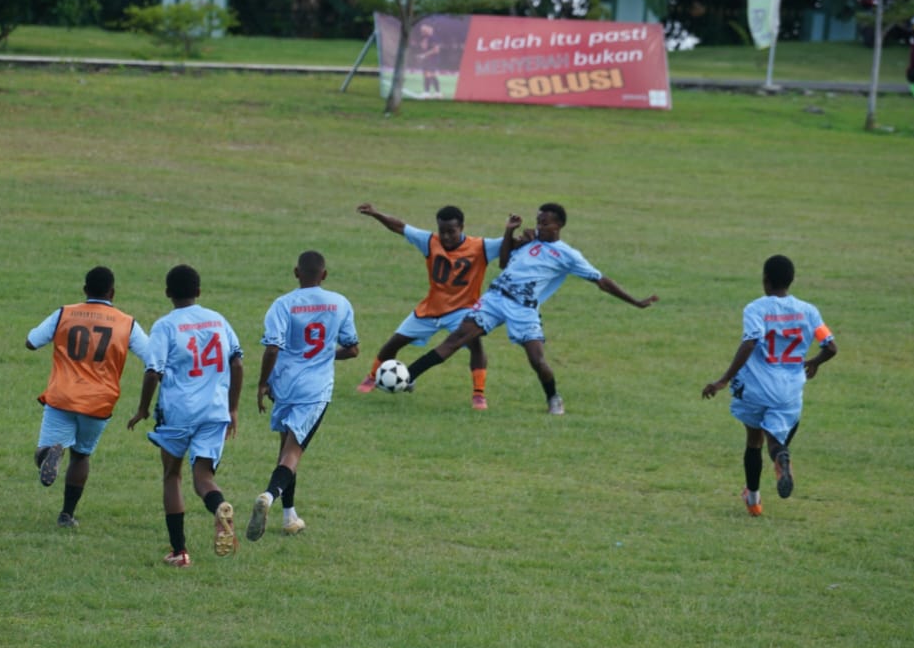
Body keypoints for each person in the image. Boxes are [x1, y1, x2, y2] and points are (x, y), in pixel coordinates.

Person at [403, 203, 658, 415]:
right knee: (456, 339)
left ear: (559, 226)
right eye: (538, 221)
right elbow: (503, 263)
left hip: (523, 309)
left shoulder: (568, 255)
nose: (539, 226)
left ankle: (553, 398)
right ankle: (408, 376)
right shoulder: (528, 241)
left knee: (536, 360)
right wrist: (508, 233)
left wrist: (635, 301)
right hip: (495, 298)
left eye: (545, 223)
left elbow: (601, 281)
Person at [701, 255, 837, 517]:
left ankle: (753, 500)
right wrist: (816, 362)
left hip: (756, 387)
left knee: (754, 441)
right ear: (791, 280)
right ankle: (781, 458)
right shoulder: (809, 312)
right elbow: (830, 346)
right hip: (789, 390)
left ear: (765, 280)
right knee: (775, 441)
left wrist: (723, 379)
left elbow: (750, 341)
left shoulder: (756, 309)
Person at [127, 265, 243, 568]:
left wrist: (142, 408)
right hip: (214, 411)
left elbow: (153, 371)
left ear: (167, 293)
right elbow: (238, 363)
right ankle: (219, 507)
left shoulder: (166, 326)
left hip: (178, 413)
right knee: (203, 478)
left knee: (172, 475)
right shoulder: (218, 320)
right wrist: (232, 408)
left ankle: (179, 552)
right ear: (199, 292)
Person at [246, 251, 359, 541]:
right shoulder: (339, 303)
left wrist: (262, 383)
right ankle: (269, 496)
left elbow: (272, 348)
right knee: (293, 454)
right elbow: (353, 348)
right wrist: (324, 355)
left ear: (296, 272)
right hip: (315, 390)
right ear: (324, 274)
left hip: (284, 385)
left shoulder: (282, 305)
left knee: (285, 448)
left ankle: (289, 516)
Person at [26, 266, 150, 527]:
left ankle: (52, 454)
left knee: (42, 451)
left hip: (62, 396)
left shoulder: (65, 313)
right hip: (99, 402)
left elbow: (31, 341)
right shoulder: (126, 323)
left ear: (85, 290)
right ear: (112, 293)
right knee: (81, 456)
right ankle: (66, 515)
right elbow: (152, 357)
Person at [355, 203, 504, 409]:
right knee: (395, 342)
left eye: (451, 232)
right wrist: (376, 214)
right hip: (431, 308)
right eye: (442, 231)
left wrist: (523, 235)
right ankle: (372, 377)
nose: (446, 237)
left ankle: (478, 394)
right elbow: (400, 227)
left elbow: (509, 243)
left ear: (462, 227)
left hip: (463, 310)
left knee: (475, 345)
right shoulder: (430, 241)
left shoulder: (481, 246)